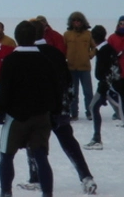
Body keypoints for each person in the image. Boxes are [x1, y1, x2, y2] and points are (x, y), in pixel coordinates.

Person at [18, 19, 97, 195]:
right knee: (69, 142)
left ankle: (35, 177)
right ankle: (86, 177)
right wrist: (66, 104)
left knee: (34, 144)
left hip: (39, 110)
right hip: (59, 108)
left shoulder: (30, 55)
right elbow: (68, 80)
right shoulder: (56, 53)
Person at [0, 20, 61, 197]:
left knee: (6, 156)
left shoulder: (10, 60)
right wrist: (54, 112)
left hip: (16, 117)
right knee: (41, 156)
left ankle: (6, 192)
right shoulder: (45, 60)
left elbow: (4, 89)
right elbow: (54, 88)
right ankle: (47, 193)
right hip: (41, 116)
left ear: (16, 38)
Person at [84, 25, 124, 151]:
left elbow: (104, 72)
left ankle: (98, 139)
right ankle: (97, 138)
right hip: (110, 86)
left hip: (109, 87)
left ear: (94, 38)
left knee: (120, 113)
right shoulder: (108, 49)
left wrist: (106, 86)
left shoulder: (103, 51)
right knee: (95, 107)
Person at [63, 11, 95, 121]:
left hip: (85, 68)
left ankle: (90, 112)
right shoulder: (67, 35)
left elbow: (95, 47)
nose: (76, 23)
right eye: (74, 20)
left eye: (79, 20)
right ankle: (74, 113)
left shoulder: (88, 34)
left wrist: (89, 55)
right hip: (71, 68)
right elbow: (63, 48)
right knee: (73, 92)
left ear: (83, 22)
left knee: (88, 92)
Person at [107, 15, 124, 115]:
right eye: (121, 23)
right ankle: (121, 113)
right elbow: (107, 51)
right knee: (121, 95)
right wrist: (113, 55)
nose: (123, 25)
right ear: (118, 24)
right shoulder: (112, 38)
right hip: (118, 72)